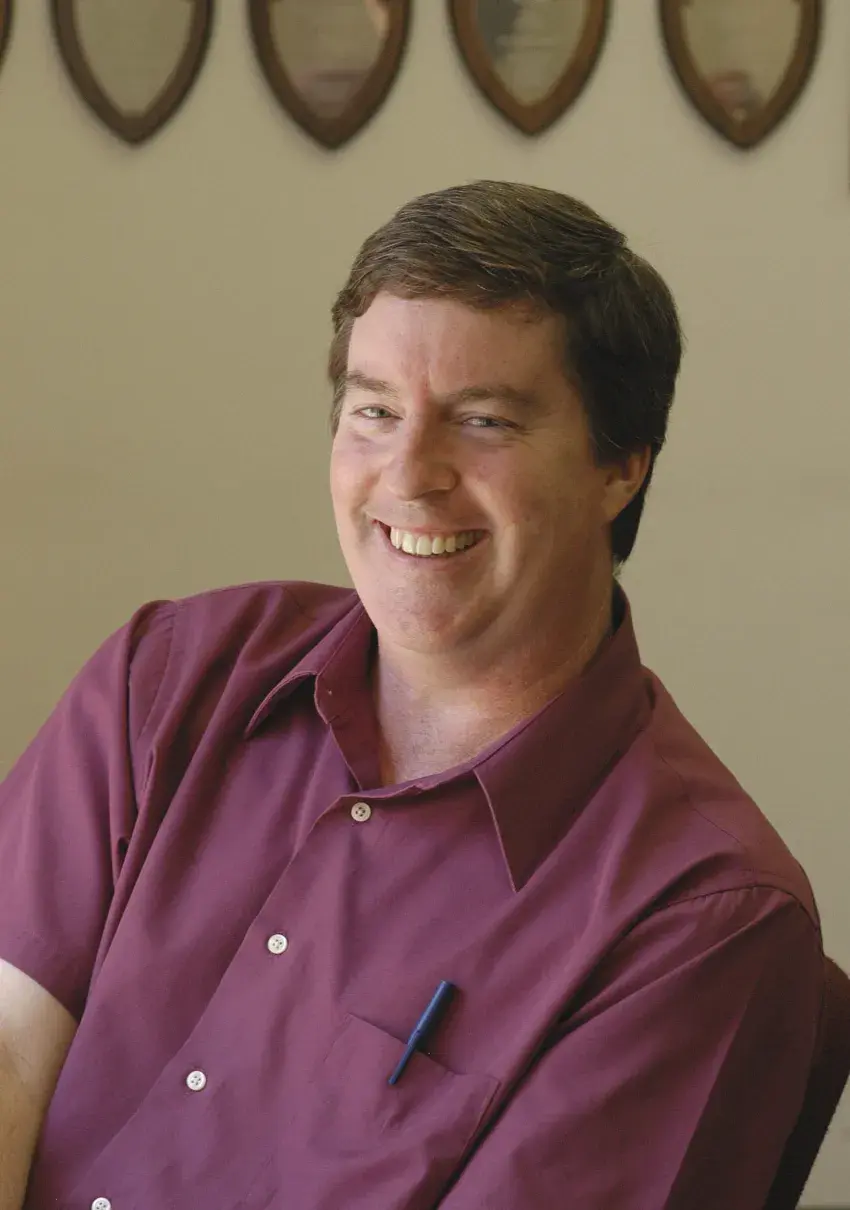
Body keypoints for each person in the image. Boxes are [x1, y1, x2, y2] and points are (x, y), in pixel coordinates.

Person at [0, 181, 822, 1210]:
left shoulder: (700, 919)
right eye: (375, 412)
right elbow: (8, 1054)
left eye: (482, 421)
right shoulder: (168, 676)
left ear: (621, 466)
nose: (409, 474)